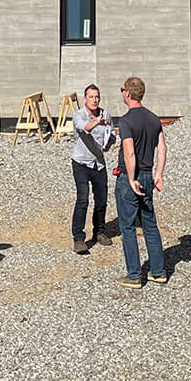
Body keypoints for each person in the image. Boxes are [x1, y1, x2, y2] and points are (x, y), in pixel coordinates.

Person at [114, 76, 168, 287]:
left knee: (127, 226)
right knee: (150, 224)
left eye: (122, 90)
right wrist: (159, 174)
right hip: (148, 174)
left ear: (127, 93)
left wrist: (130, 178)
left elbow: (129, 153)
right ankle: (158, 271)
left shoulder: (126, 121)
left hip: (132, 176)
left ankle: (135, 275)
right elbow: (162, 148)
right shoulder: (154, 119)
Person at [69, 83, 115, 254]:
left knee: (101, 199)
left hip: (99, 163)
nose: (94, 100)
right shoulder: (79, 116)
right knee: (83, 199)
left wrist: (109, 143)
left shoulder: (105, 115)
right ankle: (78, 238)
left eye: (97, 97)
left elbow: (112, 134)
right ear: (85, 99)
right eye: (91, 97)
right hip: (81, 163)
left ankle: (100, 231)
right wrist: (96, 122)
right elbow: (86, 127)